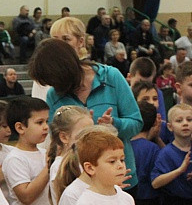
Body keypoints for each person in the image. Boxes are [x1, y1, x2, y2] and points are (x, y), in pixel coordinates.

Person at [30, 38, 143, 191]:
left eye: (55, 80)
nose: (54, 85)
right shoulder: (53, 95)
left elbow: (136, 123)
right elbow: (58, 141)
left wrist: (114, 125)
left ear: (67, 68)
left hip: (121, 180)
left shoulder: (111, 77)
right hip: (80, 184)